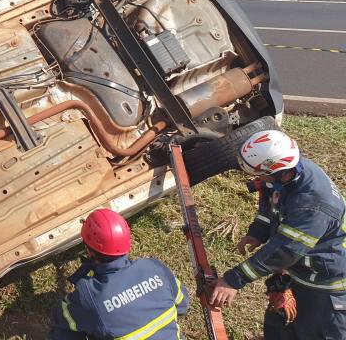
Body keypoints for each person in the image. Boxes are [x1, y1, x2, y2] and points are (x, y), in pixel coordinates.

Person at [209, 128, 346, 338]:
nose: (259, 179)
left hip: (324, 288)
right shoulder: (285, 177)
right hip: (298, 273)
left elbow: (285, 250)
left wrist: (233, 280)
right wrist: (258, 231)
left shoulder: (312, 204)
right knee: (279, 330)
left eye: (261, 174)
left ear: (279, 170)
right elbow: (271, 203)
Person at [49, 208, 190, 340]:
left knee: (62, 332)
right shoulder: (154, 267)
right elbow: (182, 304)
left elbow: (60, 317)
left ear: (89, 251)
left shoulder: (90, 295)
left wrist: (79, 298)